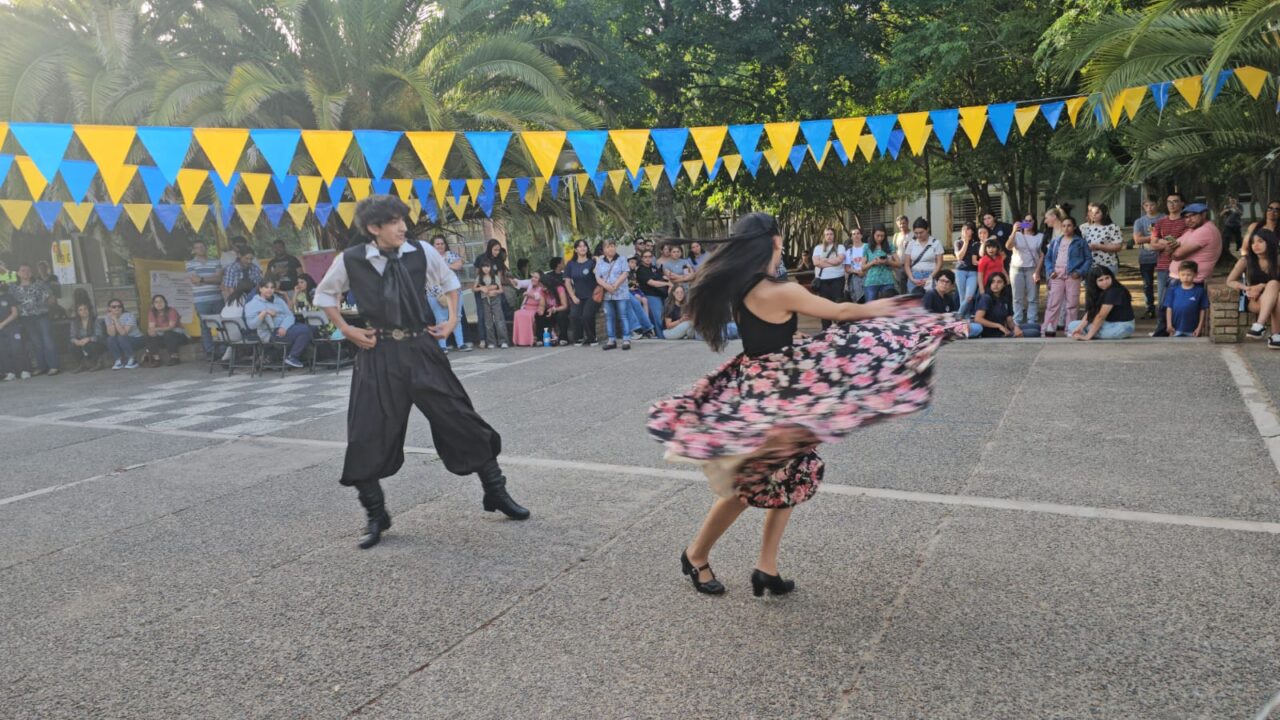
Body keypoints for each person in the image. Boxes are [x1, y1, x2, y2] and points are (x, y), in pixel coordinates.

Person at [648, 212, 964, 597]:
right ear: (774, 241)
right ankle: (696, 554)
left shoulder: (743, 286)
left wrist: (793, 339)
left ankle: (766, 567)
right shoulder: (779, 289)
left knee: (790, 472)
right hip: (774, 396)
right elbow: (842, 312)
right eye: (780, 239)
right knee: (753, 480)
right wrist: (896, 308)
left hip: (764, 385)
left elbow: (767, 336)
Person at [314, 195, 529, 548]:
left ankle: (496, 491)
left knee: (461, 419)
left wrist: (452, 320)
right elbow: (325, 297)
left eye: (403, 219)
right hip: (378, 353)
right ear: (373, 228)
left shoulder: (421, 251)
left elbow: (450, 283)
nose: (403, 227)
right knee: (366, 433)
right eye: (394, 221)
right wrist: (348, 330)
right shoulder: (350, 259)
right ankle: (375, 513)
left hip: (421, 349)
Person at [1040, 217, 1092, 337]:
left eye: (1069, 225)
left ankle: (1070, 328)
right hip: (1057, 275)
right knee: (1053, 302)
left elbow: (1088, 259)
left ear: (1074, 227)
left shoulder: (1080, 242)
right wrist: (1050, 271)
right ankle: (1049, 327)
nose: (1066, 228)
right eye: (1064, 226)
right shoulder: (1056, 242)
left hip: (1072, 275)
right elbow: (1048, 258)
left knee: (1072, 303)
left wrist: (1080, 272)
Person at [1228, 228, 1280, 346]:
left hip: (1276, 298)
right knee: (1274, 287)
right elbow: (1230, 281)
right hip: (1254, 300)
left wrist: (1262, 286)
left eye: (1260, 241)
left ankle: (1259, 326)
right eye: (1252, 242)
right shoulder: (1246, 260)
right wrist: (1247, 288)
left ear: (1270, 242)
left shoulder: (1278, 260)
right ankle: (1275, 335)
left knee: (1274, 285)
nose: (1255, 245)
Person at [245, 279, 313, 367]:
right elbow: (251, 325)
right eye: (266, 287)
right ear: (260, 289)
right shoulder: (252, 304)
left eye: (272, 288)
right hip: (271, 332)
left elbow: (289, 315)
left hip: (285, 328)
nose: (269, 290)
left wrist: (284, 327)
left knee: (312, 328)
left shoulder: (278, 300)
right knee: (304, 330)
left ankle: (283, 355)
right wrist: (264, 312)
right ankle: (292, 356)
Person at [1148, 193, 1189, 336]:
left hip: (1181, 267)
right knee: (1163, 300)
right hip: (1163, 266)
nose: (1172, 204)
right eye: (1169, 202)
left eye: (1175, 201)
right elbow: (1153, 243)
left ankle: (1179, 328)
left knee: (1180, 299)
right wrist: (1166, 244)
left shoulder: (1186, 221)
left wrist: (1163, 243)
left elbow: (1184, 242)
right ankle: (1161, 329)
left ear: (1182, 203)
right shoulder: (1160, 222)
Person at [12, 264, 59, 375]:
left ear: (31, 272)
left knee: (47, 340)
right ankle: (42, 367)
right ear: (18, 273)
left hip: (41, 316)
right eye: (23, 270)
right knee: (36, 342)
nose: (26, 272)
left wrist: (49, 306)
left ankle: (54, 366)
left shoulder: (39, 284)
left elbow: (51, 297)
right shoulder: (13, 288)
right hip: (26, 319)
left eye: (28, 270)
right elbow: (11, 302)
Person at [1068, 266, 1136, 340]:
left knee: (1090, 327)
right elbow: (1091, 312)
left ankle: (1090, 333)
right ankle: (1090, 332)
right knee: (1073, 325)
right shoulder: (1098, 292)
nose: (1105, 282)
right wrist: (1079, 328)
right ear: (1094, 282)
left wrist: (1087, 336)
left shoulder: (1114, 291)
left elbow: (1100, 316)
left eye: (1107, 278)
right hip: (1107, 324)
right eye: (1100, 280)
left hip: (1123, 327)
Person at [968, 272, 1039, 338]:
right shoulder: (986, 298)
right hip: (993, 332)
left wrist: (1015, 328)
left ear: (1004, 284)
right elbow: (978, 319)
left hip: (1005, 328)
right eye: (993, 282)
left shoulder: (1005, 298)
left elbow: (1009, 319)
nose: (996, 285)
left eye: (999, 282)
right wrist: (998, 326)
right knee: (1035, 332)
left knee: (1037, 326)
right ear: (990, 284)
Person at [187, 241, 225, 357]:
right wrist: (212, 278)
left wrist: (202, 279)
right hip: (201, 300)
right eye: (197, 247)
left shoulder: (216, 261)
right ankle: (210, 351)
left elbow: (219, 279)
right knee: (205, 326)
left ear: (206, 248)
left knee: (222, 324)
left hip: (217, 298)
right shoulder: (190, 264)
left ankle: (224, 350)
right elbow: (195, 281)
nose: (201, 249)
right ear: (194, 250)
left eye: (202, 246)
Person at [1169, 203, 1222, 285]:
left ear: (1203, 215)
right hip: (1183, 280)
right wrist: (1171, 249)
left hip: (1191, 282)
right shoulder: (1192, 230)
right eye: (1186, 217)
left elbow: (1177, 255)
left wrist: (1170, 251)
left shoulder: (1205, 230)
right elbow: (1168, 246)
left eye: (1192, 216)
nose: (1188, 220)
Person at [595, 239, 633, 350]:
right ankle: (611, 340)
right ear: (604, 249)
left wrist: (615, 286)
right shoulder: (600, 261)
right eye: (608, 247)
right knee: (609, 317)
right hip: (607, 294)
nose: (611, 248)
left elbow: (625, 273)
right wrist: (607, 287)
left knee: (623, 316)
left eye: (612, 246)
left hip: (621, 293)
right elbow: (598, 277)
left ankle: (626, 339)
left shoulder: (622, 259)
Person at [1006, 214, 1042, 325]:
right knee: (1017, 297)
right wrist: (1013, 231)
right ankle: (1017, 320)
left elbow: (1042, 255)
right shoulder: (1017, 235)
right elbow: (1008, 246)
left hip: (1032, 268)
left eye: (1030, 221)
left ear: (1034, 222)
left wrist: (1038, 271)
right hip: (1016, 268)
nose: (1028, 223)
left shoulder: (1039, 236)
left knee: (1033, 297)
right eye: (1025, 221)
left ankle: (1032, 321)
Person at [1132, 196, 1164, 318]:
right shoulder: (1139, 221)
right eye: (1146, 205)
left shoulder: (1164, 218)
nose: (1149, 208)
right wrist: (1156, 238)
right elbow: (1137, 239)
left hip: (1163, 256)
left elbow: (1169, 236)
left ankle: (1164, 308)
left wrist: (1148, 238)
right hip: (1146, 256)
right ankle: (1149, 308)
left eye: (1152, 205)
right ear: (1143, 207)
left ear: (1157, 204)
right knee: (1147, 284)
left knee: (1163, 284)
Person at [1160, 261, 1209, 338]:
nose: (1185, 277)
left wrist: (1199, 327)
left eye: (1189, 275)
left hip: (1193, 331)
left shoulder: (1200, 291)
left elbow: (1202, 310)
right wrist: (1169, 325)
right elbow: (1169, 308)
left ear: (1195, 275)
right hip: (1175, 330)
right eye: (1183, 275)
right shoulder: (1173, 290)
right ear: (1178, 274)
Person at [564, 240, 598, 346]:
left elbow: (598, 274)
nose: (582, 248)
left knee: (586, 316)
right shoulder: (570, 264)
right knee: (574, 315)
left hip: (592, 295)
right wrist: (573, 296)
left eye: (584, 246)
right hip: (577, 295)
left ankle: (592, 338)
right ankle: (579, 337)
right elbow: (567, 282)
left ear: (587, 248)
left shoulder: (591, 262)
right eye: (579, 246)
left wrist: (598, 261)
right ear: (576, 250)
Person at [810, 228, 846, 326]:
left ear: (834, 235)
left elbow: (839, 261)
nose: (829, 236)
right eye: (827, 234)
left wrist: (824, 260)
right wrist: (832, 262)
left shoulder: (840, 247)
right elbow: (816, 262)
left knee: (838, 304)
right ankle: (826, 329)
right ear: (824, 236)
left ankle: (841, 328)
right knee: (825, 305)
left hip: (837, 279)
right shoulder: (818, 248)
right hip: (823, 280)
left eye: (831, 234)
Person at [903, 218, 944, 297]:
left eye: (921, 232)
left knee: (930, 300)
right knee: (914, 301)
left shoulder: (936, 243)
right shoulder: (911, 244)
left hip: (931, 275)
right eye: (916, 233)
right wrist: (912, 278)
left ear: (927, 229)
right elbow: (907, 264)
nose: (919, 235)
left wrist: (930, 277)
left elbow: (940, 263)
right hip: (914, 276)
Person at [474, 258, 510, 349]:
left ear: (491, 267)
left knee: (499, 320)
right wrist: (481, 288)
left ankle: (503, 341)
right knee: (488, 322)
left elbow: (501, 290)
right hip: (485, 300)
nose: (486, 268)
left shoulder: (495, 277)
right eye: (484, 267)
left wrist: (495, 291)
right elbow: (474, 289)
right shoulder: (479, 277)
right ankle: (491, 342)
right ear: (481, 268)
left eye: (488, 266)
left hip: (495, 300)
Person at [637, 247, 670, 339]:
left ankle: (664, 335)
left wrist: (668, 278)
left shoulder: (654, 268)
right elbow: (652, 283)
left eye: (649, 256)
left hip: (661, 295)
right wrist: (667, 283)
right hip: (650, 296)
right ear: (642, 258)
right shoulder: (641, 270)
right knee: (658, 317)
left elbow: (661, 277)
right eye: (645, 257)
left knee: (663, 316)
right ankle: (661, 336)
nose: (648, 259)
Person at [144, 294, 185, 366]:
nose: (159, 304)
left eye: (161, 301)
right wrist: (152, 331)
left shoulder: (171, 310)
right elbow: (151, 328)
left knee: (168, 333)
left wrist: (157, 329)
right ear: (153, 304)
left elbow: (171, 327)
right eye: (156, 302)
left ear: (165, 302)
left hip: (177, 336)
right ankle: (156, 359)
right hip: (163, 337)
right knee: (149, 335)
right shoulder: (152, 312)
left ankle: (174, 357)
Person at [102, 298, 144, 369]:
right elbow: (112, 334)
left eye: (119, 306)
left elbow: (123, 333)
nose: (117, 308)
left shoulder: (129, 316)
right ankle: (118, 360)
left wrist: (115, 319)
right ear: (109, 308)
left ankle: (132, 359)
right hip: (121, 341)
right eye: (114, 307)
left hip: (136, 339)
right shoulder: (107, 317)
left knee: (121, 337)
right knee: (110, 339)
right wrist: (112, 320)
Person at [1081, 202, 1123, 273]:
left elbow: (1118, 247)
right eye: (1092, 212)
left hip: (1107, 265)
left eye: (1097, 213)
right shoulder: (1084, 228)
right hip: (1089, 266)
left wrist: (1098, 246)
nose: (1094, 215)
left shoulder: (1112, 227)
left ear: (1104, 213)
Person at [952, 221, 981, 318]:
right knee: (962, 296)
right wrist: (966, 242)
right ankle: (966, 318)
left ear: (972, 231)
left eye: (968, 229)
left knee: (969, 297)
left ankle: (959, 314)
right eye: (963, 229)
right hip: (960, 271)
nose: (965, 231)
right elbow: (959, 257)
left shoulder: (976, 243)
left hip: (973, 272)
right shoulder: (958, 242)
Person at [68, 302, 106, 372]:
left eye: (85, 309)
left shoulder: (95, 320)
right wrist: (76, 341)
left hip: (96, 342)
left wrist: (88, 339)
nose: (83, 311)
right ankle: (82, 364)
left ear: (89, 310)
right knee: (72, 346)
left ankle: (98, 363)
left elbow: (99, 335)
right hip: (81, 342)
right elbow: (72, 336)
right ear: (78, 312)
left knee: (89, 345)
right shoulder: (74, 323)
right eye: (80, 310)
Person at [864, 225, 899, 301]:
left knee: (889, 304)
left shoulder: (889, 245)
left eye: (882, 236)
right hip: (871, 281)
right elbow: (862, 267)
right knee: (871, 306)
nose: (880, 238)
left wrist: (887, 262)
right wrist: (872, 262)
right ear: (873, 234)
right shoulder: (867, 247)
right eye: (878, 236)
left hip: (887, 280)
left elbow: (898, 263)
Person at [512, 270, 547, 347]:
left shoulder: (542, 288)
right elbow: (521, 283)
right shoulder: (531, 283)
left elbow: (538, 296)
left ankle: (531, 339)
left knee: (529, 315)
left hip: (536, 308)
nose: (533, 279)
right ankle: (520, 340)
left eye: (536, 277)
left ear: (540, 280)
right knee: (517, 313)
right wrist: (514, 280)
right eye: (533, 277)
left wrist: (529, 294)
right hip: (526, 307)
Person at [0, 283, 26, 380]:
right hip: (1, 330)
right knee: (3, 350)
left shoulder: (9, 297)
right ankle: (10, 372)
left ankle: (23, 370)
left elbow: (15, 313)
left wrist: (3, 324)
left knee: (16, 348)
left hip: (12, 327)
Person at [844, 227, 867, 303]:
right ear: (851, 237)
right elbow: (847, 268)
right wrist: (856, 271)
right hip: (855, 279)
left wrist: (865, 271)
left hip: (869, 276)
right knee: (859, 301)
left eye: (858, 233)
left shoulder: (867, 247)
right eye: (854, 234)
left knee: (870, 300)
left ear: (861, 235)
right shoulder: (849, 251)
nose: (856, 235)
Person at [892, 215, 911, 293]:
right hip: (899, 267)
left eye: (904, 223)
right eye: (900, 224)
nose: (902, 225)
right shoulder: (896, 236)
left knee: (911, 288)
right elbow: (893, 250)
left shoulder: (914, 235)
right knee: (901, 289)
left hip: (911, 266)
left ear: (908, 223)